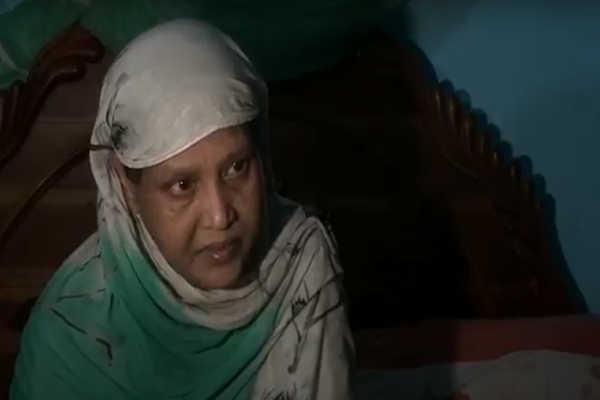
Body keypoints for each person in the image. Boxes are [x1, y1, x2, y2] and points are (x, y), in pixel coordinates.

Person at [10, 19, 354, 400]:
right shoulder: (68, 339)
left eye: (237, 167)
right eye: (182, 186)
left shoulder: (299, 258)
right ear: (127, 187)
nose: (220, 216)